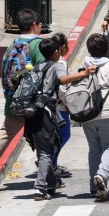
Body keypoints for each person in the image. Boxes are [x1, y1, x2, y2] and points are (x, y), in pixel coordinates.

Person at [25, 38, 96, 201]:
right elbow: (63, 80)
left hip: (32, 113)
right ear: (56, 52)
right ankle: (40, 188)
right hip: (46, 113)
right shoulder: (57, 66)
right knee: (46, 152)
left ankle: (51, 183)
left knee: (42, 150)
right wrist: (84, 73)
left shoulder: (37, 66)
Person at [0, 9, 45, 180]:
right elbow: (45, 71)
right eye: (39, 25)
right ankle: (47, 168)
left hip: (14, 98)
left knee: (6, 131)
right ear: (34, 25)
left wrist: (10, 95)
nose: (40, 28)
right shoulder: (37, 45)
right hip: (33, 100)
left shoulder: (12, 45)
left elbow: (4, 71)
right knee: (43, 132)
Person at [81, 34, 109, 201]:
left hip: (88, 115)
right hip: (108, 114)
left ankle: (94, 187)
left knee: (94, 149)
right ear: (107, 49)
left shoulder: (84, 65)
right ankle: (102, 174)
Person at [50, 33, 72, 179]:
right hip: (59, 106)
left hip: (49, 105)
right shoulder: (61, 63)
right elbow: (63, 87)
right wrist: (68, 104)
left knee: (55, 135)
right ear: (62, 47)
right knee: (64, 134)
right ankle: (50, 162)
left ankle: (52, 162)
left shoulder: (47, 60)